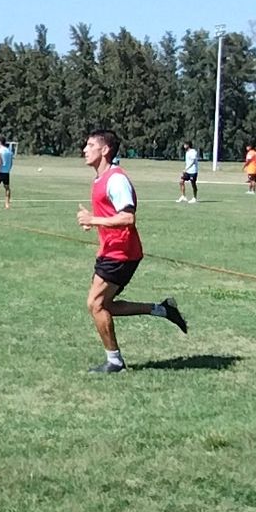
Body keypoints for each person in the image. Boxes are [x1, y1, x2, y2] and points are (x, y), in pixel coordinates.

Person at [76, 130, 187, 374]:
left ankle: (115, 362)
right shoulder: (100, 179)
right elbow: (112, 216)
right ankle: (162, 309)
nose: (85, 149)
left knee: (95, 305)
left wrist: (93, 219)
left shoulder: (116, 179)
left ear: (105, 150)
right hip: (111, 251)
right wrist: (93, 222)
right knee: (105, 305)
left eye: (90, 145)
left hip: (121, 253)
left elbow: (128, 217)